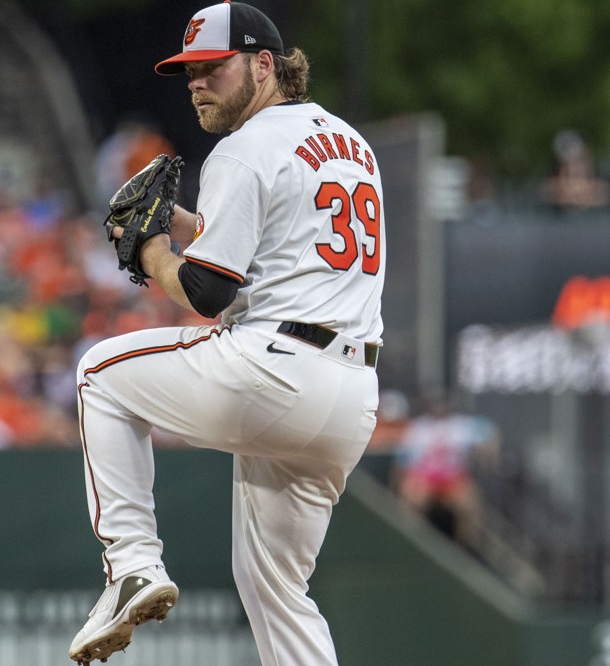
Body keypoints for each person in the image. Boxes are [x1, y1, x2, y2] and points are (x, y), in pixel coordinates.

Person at [69, 2, 386, 665]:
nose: (197, 83)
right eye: (189, 72)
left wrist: (152, 248)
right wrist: (184, 224)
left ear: (264, 65)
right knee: (277, 592)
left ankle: (131, 565)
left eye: (213, 68)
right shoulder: (349, 142)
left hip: (273, 369)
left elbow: (209, 294)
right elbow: (276, 245)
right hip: (349, 394)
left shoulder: (243, 147)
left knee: (100, 372)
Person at [391, 389, 500, 551]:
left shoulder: (461, 426)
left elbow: (490, 431)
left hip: (453, 477)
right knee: (412, 497)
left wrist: (488, 455)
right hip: (424, 477)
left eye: (442, 404)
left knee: (468, 504)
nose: (438, 408)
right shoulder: (418, 428)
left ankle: (466, 549)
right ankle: (411, 543)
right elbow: (402, 463)